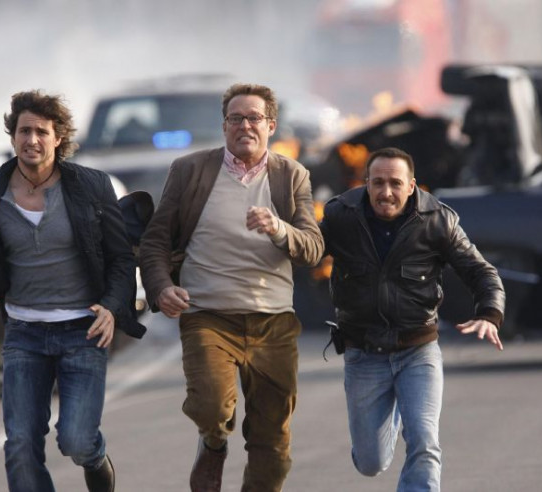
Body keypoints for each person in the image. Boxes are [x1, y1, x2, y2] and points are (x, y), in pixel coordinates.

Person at [0, 90, 145, 492]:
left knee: (76, 440)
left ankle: (95, 457)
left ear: (58, 138)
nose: (32, 140)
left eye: (41, 132)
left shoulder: (92, 186)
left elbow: (120, 258)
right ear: (13, 136)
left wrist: (112, 307)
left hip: (84, 330)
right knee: (21, 444)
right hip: (23, 333)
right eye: (24, 131)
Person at [139, 83, 324, 492]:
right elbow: (155, 241)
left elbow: (312, 249)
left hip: (273, 321)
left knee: (272, 444)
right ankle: (213, 441)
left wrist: (278, 228)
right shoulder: (190, 170)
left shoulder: (291, 175)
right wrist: (161, 287)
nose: (244, 126)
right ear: (224, 126)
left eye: (254, 118)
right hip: (208, 315)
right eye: (235, 118)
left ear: (271, 125)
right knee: (210, 406)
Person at [319, 147, 505, 491]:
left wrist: (489, 314)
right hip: (363, 353)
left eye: (395, 183)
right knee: (370, 462)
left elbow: (482, 272)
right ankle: (392, 414)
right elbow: (306, 249)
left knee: (423, 439)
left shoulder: (437, 220)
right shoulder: (341, 216)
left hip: (418, 351)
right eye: (378, 183)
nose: (386, 192)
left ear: (411, 186)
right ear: (366, 184)